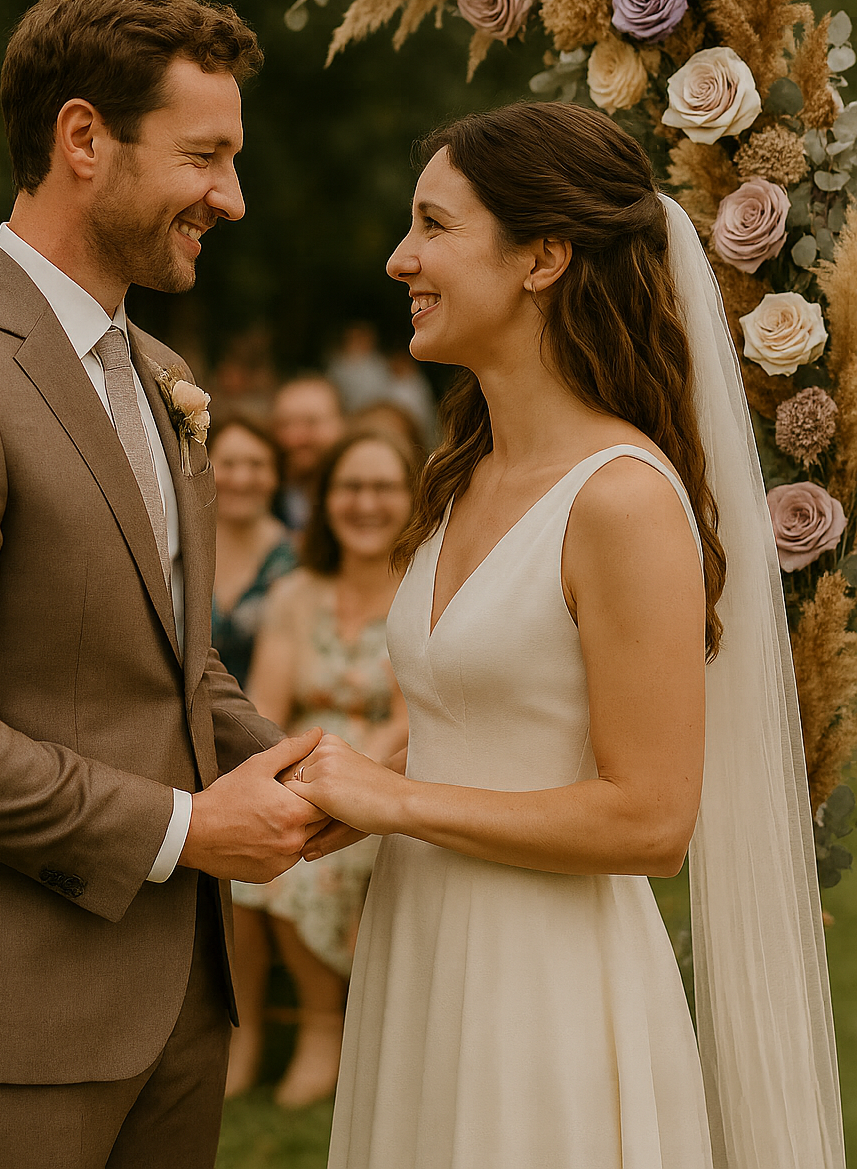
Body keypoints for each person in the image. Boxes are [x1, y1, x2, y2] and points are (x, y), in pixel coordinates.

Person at [0, 0, 329, 1169]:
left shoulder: (158, 372)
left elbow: (169, 659)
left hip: (178, 1003)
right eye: (206, 157)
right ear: (83, 140)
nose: (234, 198)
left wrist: (306, 772)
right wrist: (186, 829)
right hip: (1, 1018)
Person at [289, 103, 844, 1169]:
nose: (401, 258)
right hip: (422, 942)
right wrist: (341, 781)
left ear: (543, 257)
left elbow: (650, 819)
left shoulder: (622, 499)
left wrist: (392, 799)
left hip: (540, 981)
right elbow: (485, 714)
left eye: (434, 226)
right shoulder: (467, 472)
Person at [228, 430, 416, 1108]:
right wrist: (287, 777)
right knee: (233, 860)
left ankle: (321, 1025)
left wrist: (341, 784)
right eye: (349, 487)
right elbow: (265, 708)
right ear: (325, 499)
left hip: (385, 774)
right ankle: (241, 1032)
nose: (365, 503)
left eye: (383, 487)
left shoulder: (424, 589)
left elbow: (407, 720)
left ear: (412, 496)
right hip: (296, 764)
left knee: (307, 869)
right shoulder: (296, 593)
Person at [210, 415, 297, 690]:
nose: (241, 478)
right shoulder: (178, 551)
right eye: (228, 464)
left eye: (256, 465)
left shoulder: (296, 560)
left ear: (276, 475)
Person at [271, 374, 344, 533]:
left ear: (342, 425)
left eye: (311, 423)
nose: (295, 438)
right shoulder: (263, 501)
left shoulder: (365, 500)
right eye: (285, 424)